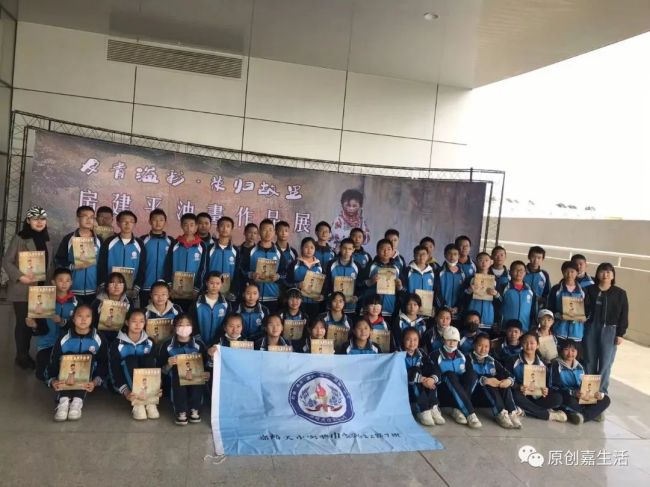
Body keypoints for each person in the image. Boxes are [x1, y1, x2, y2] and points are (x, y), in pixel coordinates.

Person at [2, 206, 53, 369]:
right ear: (28, 221)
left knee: (35, 323)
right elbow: (7, 261)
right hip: (22, 288)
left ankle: (31, 353)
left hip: (40, 288)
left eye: (42, 219)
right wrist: (19, 276)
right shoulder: (20, 238)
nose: (39, 222)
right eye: (35, 219)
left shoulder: (46, 239)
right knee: (24, 323)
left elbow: (49, 264)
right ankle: (21, 356)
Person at [47, 304, 108, 422]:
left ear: (92, 319)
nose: (84, 319)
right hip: (65, 378)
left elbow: (104, 363)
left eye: (88, 316)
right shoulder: (64, 337)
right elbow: (53, 361)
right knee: (67, 358)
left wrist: (95, 382)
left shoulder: (99, 338)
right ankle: (63, 401)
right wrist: (53, 380)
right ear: (73, 319)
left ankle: (77, 401)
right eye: (80, 316)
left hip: (88, 379)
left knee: (87, 357)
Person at [583, 262, 629, 394]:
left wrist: (620, 333)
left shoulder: (620, 293)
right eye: (602, 271)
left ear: (613, 275)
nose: (605, 274)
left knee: (605, 362)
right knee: (589, 360)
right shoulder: (589, 290)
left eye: (609, 272)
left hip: (610, 330)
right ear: (597, 274)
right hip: (591, 328)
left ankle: (601, 392)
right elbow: (582, 309)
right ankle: (588, 393)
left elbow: (624, 314)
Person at [26, 268, 77, 381]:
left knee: (70, 373)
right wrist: (34, 325)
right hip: (46, 344)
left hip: (67, 346)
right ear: (53, 282)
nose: (64, 283)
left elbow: (78, 327)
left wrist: (62, 321)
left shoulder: (76, 302)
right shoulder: (44, 300)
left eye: (67, 280)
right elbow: (41, 329)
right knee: (41, 374)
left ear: (71, 282)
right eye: (60, 280)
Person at [108, 309, 159, 420]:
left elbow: (155, 368)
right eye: (134, 321)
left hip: (147, 387)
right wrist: (125, 391)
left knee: (149, 359)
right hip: (126, 385)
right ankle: (138, 404)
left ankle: (150, 402)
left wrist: (157, 388)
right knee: (130, 359)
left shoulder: (150, 342)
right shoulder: (117, 344)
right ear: (127, 322)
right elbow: (114, 370)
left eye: (141, 321)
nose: (138, 324)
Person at [159, 314, 210, 425]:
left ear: (192, 327)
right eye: (180, 325)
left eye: (187, 325)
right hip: (173, 379)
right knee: (177, 372)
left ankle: (195, 409)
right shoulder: (167, 345)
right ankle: (181, 411)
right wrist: (168, 365)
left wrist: (207, 373)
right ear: (174, 327)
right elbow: (161, 371)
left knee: (198, 372)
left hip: (195, 376)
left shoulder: (199, 344)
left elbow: (206, 364)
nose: (184, 328)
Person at [505, 333, 566, 422]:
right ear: (521, 344)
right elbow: (507, 378)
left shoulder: (542, 364)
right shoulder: (513, 360)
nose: (528, 346)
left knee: (558, 398)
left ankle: (525, 410)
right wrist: (518, 386)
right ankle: (547, 415)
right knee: (514, 395)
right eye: (525, 343)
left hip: (537, 397)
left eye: (532, 343)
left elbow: (547, 384)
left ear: (537, 345)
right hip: (521, 395)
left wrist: (545, 390)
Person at [429, 326, 482, 428]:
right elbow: (434, 375)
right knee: (450, 374)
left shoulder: (462, 356)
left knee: (472, 374)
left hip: (458, 392)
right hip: (443, 391)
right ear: (443, 340)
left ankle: (457, 409)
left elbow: (468, 376)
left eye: (454, 340)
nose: (452, 343)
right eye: (449, 340)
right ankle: (470, 413)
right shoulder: (435, 355)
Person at [549, 340, 610, 424]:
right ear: (561, 351)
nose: (570, 353)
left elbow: (585, 384)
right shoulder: (556, 365)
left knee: (606, 399)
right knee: (569, 402)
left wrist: (595, 393)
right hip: (566, 395)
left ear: (577, 352)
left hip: (581, 396)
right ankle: (591, 414)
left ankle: (581, 415)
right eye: (566, 350)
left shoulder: (580, 366)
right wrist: (573, 393)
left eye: (573, 350)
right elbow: (554, 386)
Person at [468, 334, 521, 428]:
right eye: (480, 345)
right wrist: (486, 380)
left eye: (486, 346)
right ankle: (500, 413)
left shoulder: (491, 360)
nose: (483, 349)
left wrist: (508, 381)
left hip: (490, 398)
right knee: (488, 378)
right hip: (474, 396)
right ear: (474, 345)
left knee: (504, 380)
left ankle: (511, 412)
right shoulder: (467, 359)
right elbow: (467, 378)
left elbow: (508, 374)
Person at [54, 205, 102, 305]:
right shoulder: (68, 239)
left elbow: (103, 264)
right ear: (77, 218)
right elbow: (58, 260)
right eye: (85, 216)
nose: (89, 220)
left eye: (92, 217)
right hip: (72, 289)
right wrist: (73, 266)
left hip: (94, 290)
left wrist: (100, 285)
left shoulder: (99, 240)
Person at [402, 327, 445, 426]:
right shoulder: (398, 354)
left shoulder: (421, 352)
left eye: (415, 339)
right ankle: (423, 409)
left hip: (421, 384)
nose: (412, 343)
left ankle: (433, 407)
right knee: (415, 370)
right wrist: (420, 379)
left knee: (430, 373)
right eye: (408, 339)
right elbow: (398, 373)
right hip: (405, 386)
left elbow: (432, 366)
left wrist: (431, 379)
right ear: (403, 340)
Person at [164, 213, 207, 310]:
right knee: (176, 313)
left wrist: (196, 289)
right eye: (185, 225)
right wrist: (169, 286)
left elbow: (203, 268)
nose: (189, 228)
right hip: (175, 290)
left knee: (190, 315)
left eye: (192, 225)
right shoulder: (175, 244)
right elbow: (168, 265)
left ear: (196, 226)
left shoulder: (202, 245)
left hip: (193, 291)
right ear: (181, 226)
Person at [97, 210, 146, 296]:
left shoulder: (139, 243)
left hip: (131, 290)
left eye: (131, 221)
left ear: (134, 224)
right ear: (118, 223)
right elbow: (102, 264)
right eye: (124, 221)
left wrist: (137, 287)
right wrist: (103, 284)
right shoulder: (109, 242)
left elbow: (142, 267)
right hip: (110, 289)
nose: (127, 224)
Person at [360, 239, 404, 318]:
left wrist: (399, 286)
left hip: (389, 308)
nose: (385, 252)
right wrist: (370, 281)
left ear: (392, 251)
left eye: (388, 249)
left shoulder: (397, 267)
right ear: (377, 251)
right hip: (372, 309)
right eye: (382, 249)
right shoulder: (371, 266)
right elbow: (359, 284)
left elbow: (401, 290)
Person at [245, 219, 282, 312]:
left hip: (272, 296)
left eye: (270, 230)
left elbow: (285, 272)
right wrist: (251, 275)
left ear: (274, 232)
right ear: (259, 232)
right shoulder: (250, 251)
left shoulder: (278, 252)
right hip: (253, 297)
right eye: (264, 230)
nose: (267, 233)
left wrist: (278, 276)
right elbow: (242, 270)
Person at [140, 209, 174, 307]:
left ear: (165, 222)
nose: (158, 223)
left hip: (164, 287)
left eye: (161, 220)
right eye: (155, 220)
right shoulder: (142, 240)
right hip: (146, 285)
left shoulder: (171, 241)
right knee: (145, 312)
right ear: (150, 221)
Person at [547, 261, 586, 345]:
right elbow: (549, 308)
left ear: (577, 273)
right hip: (559, 331)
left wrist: (583, 317)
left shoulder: (583, 291)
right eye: (566, 272)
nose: (569, 274)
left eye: (572, 272)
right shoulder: (556, 289)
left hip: (576, 333)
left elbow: (588, 309)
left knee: (572, 352)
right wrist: (557, 315)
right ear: (562, 272)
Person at [286, 237, 324, 319]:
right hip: (297, 303)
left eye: (312, 247)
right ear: (301, 248)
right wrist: (297, 285)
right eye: (306, 247)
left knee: (313, 323)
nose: (309, 250)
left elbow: (324, 284)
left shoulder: (319, 265)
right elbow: (286, 282)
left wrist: (322, 295)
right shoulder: (294, 264)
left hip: (314, 302)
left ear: (315, 249)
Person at [92, 272, 134, 342]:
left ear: (124, 286)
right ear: (107, 287)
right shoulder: (98, 301)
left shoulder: (128, 301)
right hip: (100, 334)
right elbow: (92, 320)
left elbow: (131, 320)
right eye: (112, 283)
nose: (116, 286)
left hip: (121, 335)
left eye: (120, 283)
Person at [464, 252, 499, 333]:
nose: (484, 262)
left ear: (490, 262)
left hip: (488, 319)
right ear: (476, 262)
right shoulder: (470, 279)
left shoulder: (495, 280)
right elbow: (462, 298)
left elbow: (500, 301)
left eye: (486, 260)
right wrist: (469, 291)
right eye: (481, 260)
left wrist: (496, 294)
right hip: (472, 319)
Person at [191, 271, 229, 346]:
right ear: (206, 283)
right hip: (198, 342)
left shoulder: (226, 304)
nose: (214, 286)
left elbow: (226, 324)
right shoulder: (197, 302)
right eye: (211, 283)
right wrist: (197, 337)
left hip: (218, 343)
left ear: (221, 284)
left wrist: (217, 341)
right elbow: (192, 321)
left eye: (218, 283)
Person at [324, 238, 360, 317]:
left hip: (350, 306)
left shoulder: (357, 266)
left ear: (353, 250)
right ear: (340, 248)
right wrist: (330, 296)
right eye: (344, 248)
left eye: (350, 249)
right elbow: (327, 283)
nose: (347, 251)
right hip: (333, 305)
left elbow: (359, 284)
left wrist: (356, 296)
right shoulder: (331, 264)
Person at [498, 260, 537, 333]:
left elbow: (533, 310)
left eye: (521, 270)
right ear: (510, 272)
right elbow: (497, 305)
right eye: (516, 270)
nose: (518, 272)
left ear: (525, 273)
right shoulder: (503, 288)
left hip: (524, 329)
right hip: (506, 328)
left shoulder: (530, 290)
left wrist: (532, 327)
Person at [437, 244, 465, 322]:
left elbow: (464, 294)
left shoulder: (462, 274)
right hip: (442, 311)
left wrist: (457, 307)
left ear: (459, 256)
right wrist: (444, 306)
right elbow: (436, 292)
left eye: (455, 254)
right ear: (445, 255)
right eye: (449, 254)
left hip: (457, 313)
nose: (452, 256)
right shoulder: (439, 272)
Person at [275, 220, 298, 290]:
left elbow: (295, 271)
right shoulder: (271, 250)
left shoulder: (293, 252)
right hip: (274, 288)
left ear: (289, 233)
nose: (283, 233)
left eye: (286, 231)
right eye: (281, 230)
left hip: (289, 288)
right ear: (276, 232)